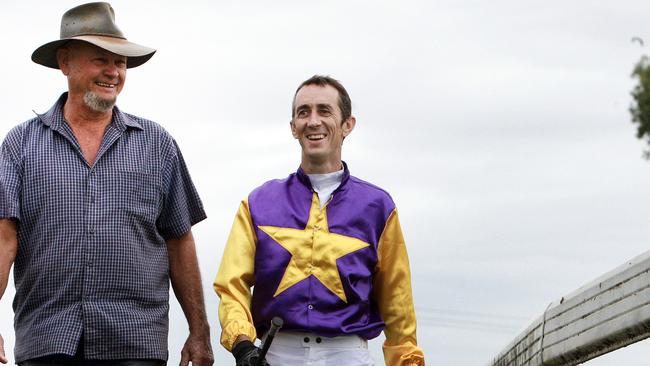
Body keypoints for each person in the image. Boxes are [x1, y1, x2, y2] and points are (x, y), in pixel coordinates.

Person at [0, 3, 213, 366]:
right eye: (101, 59)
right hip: (47, 339)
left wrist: (199, 331)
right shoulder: (19, 145)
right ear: (65, 62)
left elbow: (180, 241)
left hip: (134, 340)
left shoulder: (157, 143)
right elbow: (4, 240)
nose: (113, 72)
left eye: (121, 63)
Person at [214, 75, 425, 366]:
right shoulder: (257, 203)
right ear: (293, 128)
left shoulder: (378, 206)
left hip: (348, 354)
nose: (313, 121)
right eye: (303, 112)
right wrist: (241, 344)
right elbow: (231, 285)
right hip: (274, 354)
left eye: (324, 111)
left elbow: (398, 304)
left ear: (347, 125)